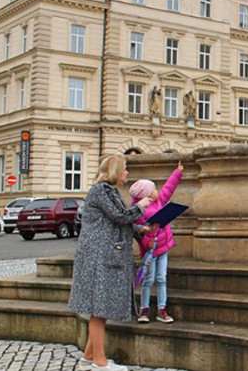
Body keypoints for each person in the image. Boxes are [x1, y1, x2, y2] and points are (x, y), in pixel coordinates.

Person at [68, 155, 152, 371]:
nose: (127, 174)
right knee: (99, 309)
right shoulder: (102, 190)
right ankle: (100, 362)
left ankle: (88, 357)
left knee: (100, 306)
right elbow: (120, 216)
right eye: (124, 170)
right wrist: (141, 206)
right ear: (115, 171)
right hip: (99, 256)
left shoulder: (108, 191)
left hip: (101, 255)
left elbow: (113, 221)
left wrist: (137, 229)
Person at [128, 160, 183, 324]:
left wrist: (177, 172)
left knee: (161, 278)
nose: (157, 191)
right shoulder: (139, 210)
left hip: (163, 248)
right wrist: (146, 244)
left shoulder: (159, 202)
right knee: (149, 279)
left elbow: (169, 187)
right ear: (146, 194)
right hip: (150, 251)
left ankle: (162, 308)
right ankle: (144, 309)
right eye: (153, 189)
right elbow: (138, 233)